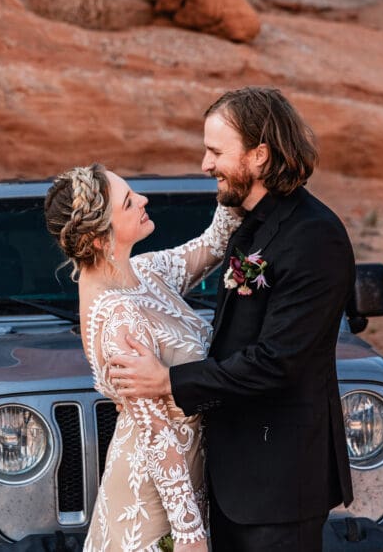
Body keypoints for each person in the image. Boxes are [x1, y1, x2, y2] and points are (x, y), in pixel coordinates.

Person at [109, 86, 355, 551]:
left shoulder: (313, 236)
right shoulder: (250, 223)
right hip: (234, 479)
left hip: (278, 482)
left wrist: (167, 382)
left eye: (216, 151)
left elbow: (277, 362)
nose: (205, 164)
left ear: (260, 156)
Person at [44, 164, 241, 552]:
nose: (144, 201)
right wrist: (188, 532)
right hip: (151, 508)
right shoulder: (114, 314)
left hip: (195, 482)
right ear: (101, 239)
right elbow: (155, 430)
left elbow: (214, 243)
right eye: (130, 202)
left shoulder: (147, 272)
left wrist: (234, 180)